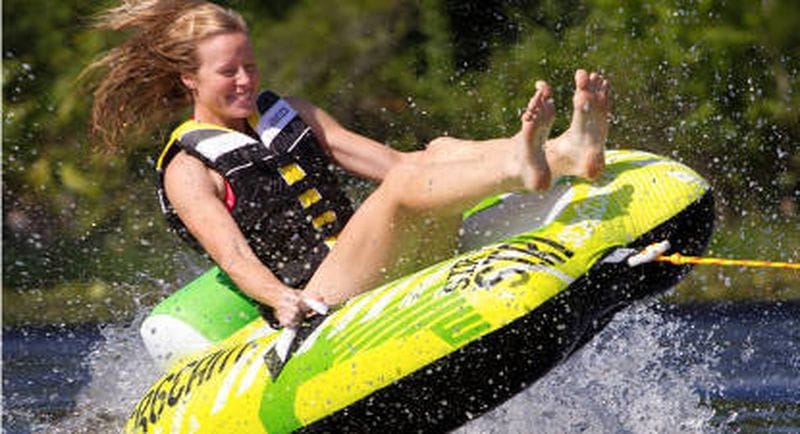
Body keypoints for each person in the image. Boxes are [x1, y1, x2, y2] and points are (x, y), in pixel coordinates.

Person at [85, 0, 610, 329]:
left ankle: (563, 151)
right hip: (321, 292)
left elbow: (393, 162)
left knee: (437, 151)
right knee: (406, 186)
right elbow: (234, 254)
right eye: (228, 72)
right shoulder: (188, 167)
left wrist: (458, 158)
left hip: (375, 263)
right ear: (189, 80)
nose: (245, 80)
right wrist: (280, 299)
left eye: (251, 65)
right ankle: (521, 167)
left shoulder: (292, 113)